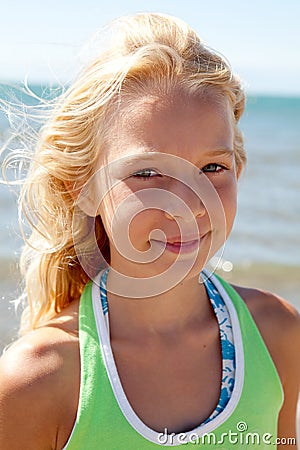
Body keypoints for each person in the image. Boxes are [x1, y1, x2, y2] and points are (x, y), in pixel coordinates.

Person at [0, 13, 299, 450]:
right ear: (81, 190)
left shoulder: (276, 334)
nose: (191, 202)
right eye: (148, 172)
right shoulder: (40, 380)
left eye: (212, 167)